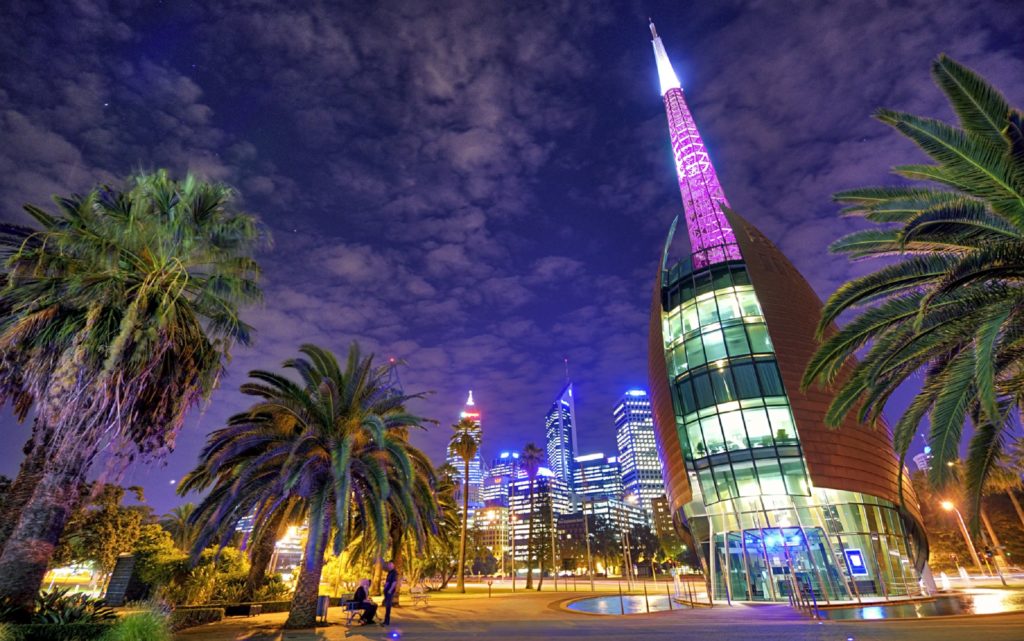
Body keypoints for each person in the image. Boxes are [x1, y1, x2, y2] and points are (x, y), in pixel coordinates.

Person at [381, 560, 398, 626]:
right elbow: (388, 582)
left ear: (393, 565)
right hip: (387, 591)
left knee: (388, 606)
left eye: (391, 564)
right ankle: (386, 621)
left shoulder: (394, 573)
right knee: (387, 606)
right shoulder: (390, 572)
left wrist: (390, 590)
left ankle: (386, 621)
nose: (389, 566)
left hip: (389, 592)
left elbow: (394, 582)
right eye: (388, 565)